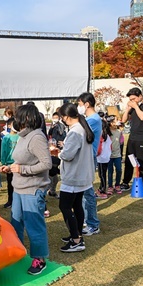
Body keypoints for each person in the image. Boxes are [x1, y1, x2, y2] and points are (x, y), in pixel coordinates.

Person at [0, 104, 52, 275]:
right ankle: (17, 253)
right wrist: (9, 167)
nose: (15, 120)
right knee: (16, 223)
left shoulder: (36, 137)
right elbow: (23, 160)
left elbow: (46, 164)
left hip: (33, 188)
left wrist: (23, 170)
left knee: (33, 225)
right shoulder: (23, 136)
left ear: (26, 118)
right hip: (19, 188)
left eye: (18, 117)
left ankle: (39, 259)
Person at [57, 103, 95, 253]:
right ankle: (77, 234)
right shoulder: (82, 128)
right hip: (83, 175)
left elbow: (67, 155)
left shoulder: (75, 131)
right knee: (77, 205)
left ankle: (76, 240)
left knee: (65, 206)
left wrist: (58, 153)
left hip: (74, 176)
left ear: (66, 117)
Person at [120, 88, 143, 191]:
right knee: (129, 161)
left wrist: (135, 106)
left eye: (134, 98)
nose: (132, 101)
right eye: (131, 99)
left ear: (140, 96)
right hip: (132, 137)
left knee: (141, 161)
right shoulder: (133, 107)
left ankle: (142, 182)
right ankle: (125, 182)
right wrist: (127, 109)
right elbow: (124, 120)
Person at [76, 92, 102, 236]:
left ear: (86, 104)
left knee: (88, 192)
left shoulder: (93, 119)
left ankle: (93, 223)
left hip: (88, 158)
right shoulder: (90, 119)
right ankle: (88, 220)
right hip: (85, 157)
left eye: (79, 104)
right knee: (83, 191)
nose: (78, 107)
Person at [0, 118, 19, 208]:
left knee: (15, 184)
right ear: (9, 126)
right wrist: (3, 162)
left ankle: (14, 201)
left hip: (17, 163)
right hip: (9, 163)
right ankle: (10, 200)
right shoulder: (6, 138)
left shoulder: (20, 137)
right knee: (10, 183)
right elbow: (3, 151)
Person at [47, 112, 66, 198]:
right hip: (52, 150)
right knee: (52, 173)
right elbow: (49, 134)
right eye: (53, 117)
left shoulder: (62, 125)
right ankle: (50, 190)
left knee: (54, 174)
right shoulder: (51, 126)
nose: (55, 119)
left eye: (56, 117)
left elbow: (63, 134)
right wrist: (52, 128)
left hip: (59, 149)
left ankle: (52, 190)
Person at [106, 116, 124, 195]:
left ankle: (117, 185)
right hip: (109, 155)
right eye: (116, 120)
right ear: (111, 123)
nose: (118, 121)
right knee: (110, 171)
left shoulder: (119, 132)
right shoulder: (107, 132)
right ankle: (110, 186)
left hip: (117, 155)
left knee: (119, 170)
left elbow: (121, 142)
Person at [96, 120, 112, 199]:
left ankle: (102, 190)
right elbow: (110, 146)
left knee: (102, 175)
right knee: (103, 174)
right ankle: (102, 188)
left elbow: (99, 148)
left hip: (101, 158)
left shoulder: (100, 135)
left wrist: (96, 154)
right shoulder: (108, 135)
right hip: (106, 157)